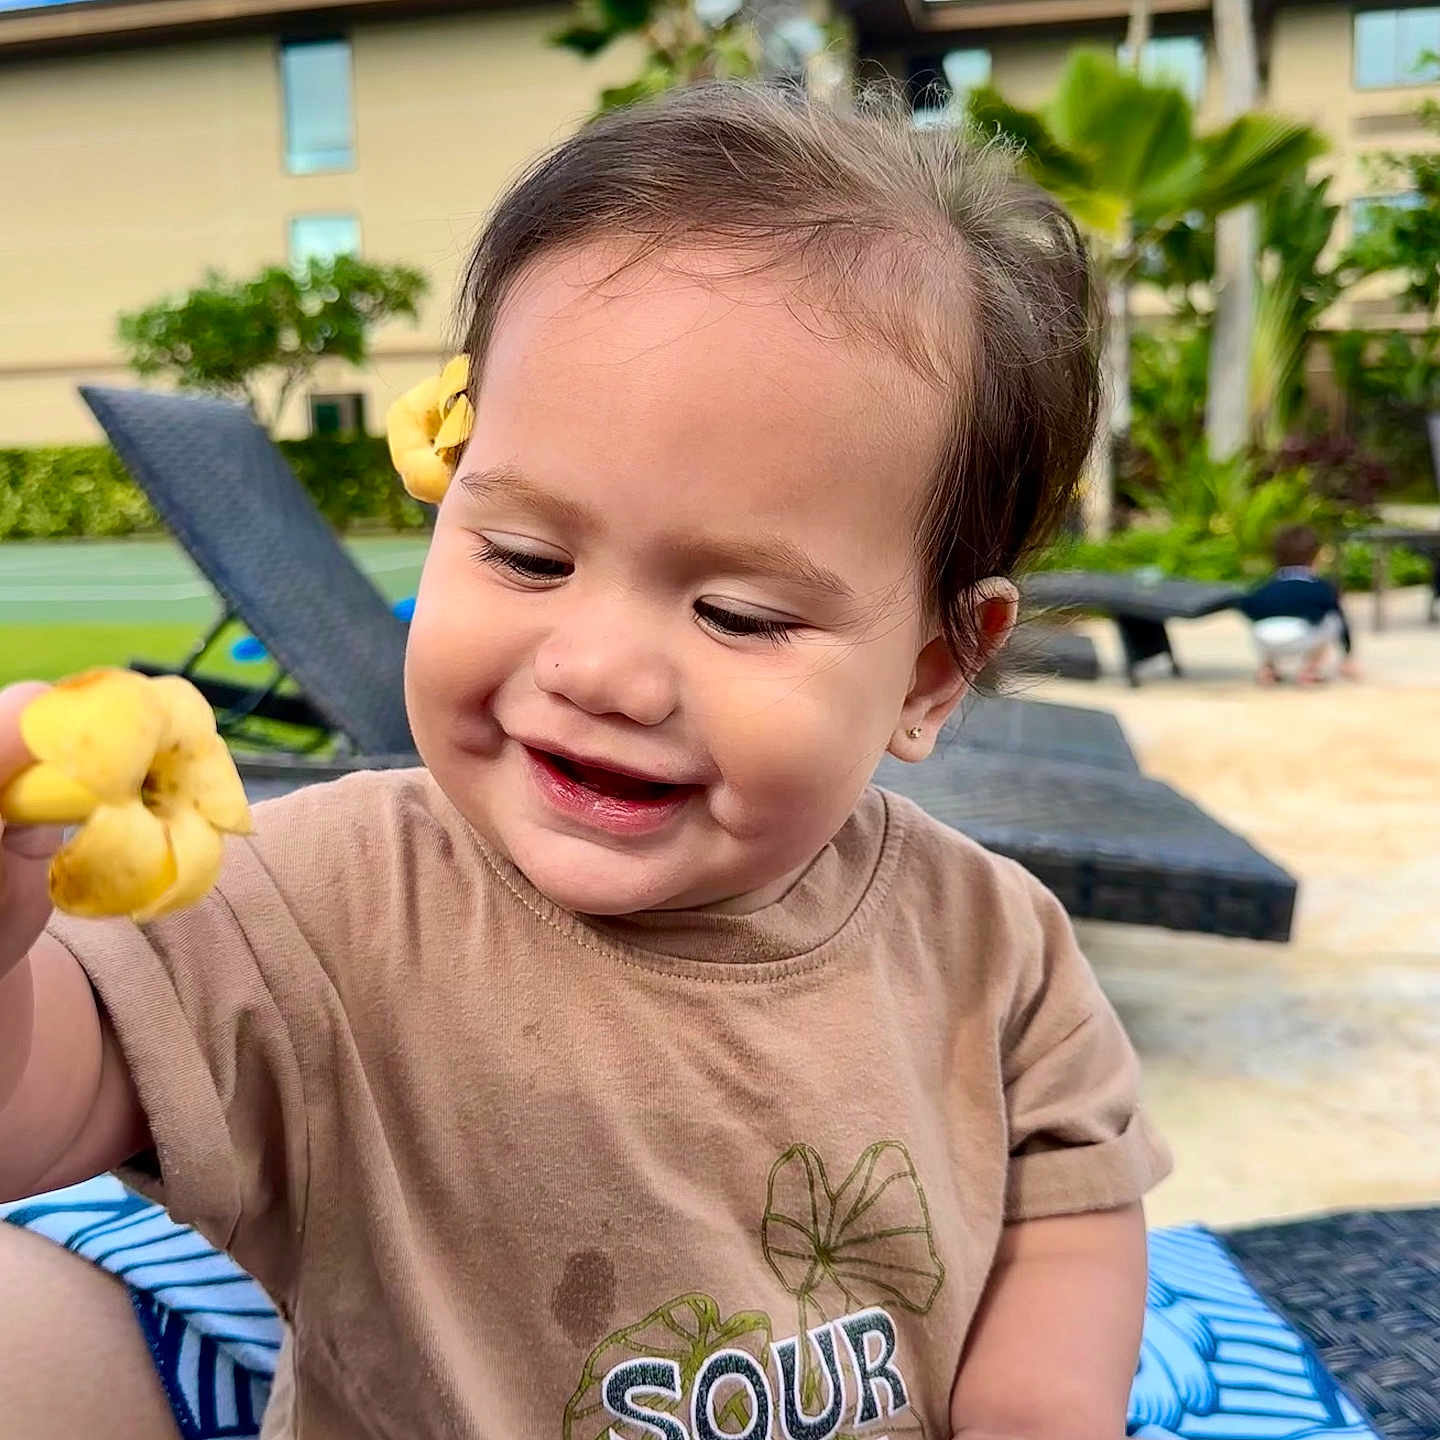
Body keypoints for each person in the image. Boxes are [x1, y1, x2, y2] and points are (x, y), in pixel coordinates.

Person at [0, 85, 1170, 1440]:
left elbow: (1071, 1207)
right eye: (527, 556)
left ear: (929, 670)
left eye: (739, 614)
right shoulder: (324, 902)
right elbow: (40, 1110)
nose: (600, 670)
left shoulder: (994, 950)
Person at [1238, 524, 1359, 686]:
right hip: (1301, 638)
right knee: (1331, 618)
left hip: (1264, 638)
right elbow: (1340, 620)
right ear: (1315, 556)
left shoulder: (1265, 585)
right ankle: (1309, 670)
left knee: (1262, 621)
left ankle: (1267, 669)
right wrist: (1347, 654)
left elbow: (1247, 606)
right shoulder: (1320, 586)